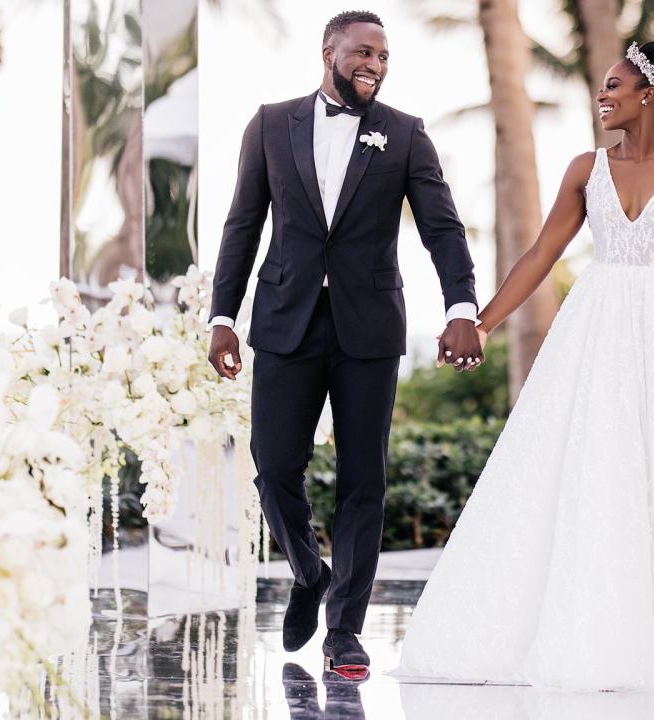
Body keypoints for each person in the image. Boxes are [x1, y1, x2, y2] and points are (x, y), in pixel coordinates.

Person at [393, 41, 654, 690]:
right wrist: (483, 323)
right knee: (595, 462)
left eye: (615, 85)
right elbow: (539, 256)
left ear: (649, 94)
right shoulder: (585, 169)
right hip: (598, 326)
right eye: (602, 87)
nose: (603, 96)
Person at [205, 10, 485, 681]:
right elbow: (243, 224)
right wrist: (221, 316)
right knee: (274, 467)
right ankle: (309, 572)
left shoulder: (406, 135)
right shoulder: (271, 124)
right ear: (327, 51)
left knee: (364, 480)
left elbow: (442, 230)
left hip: (369, 326)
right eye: (364, 52)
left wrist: (461, 307)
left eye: (385, 57)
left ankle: (345, 632)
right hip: (283, 320)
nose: (376, 66)